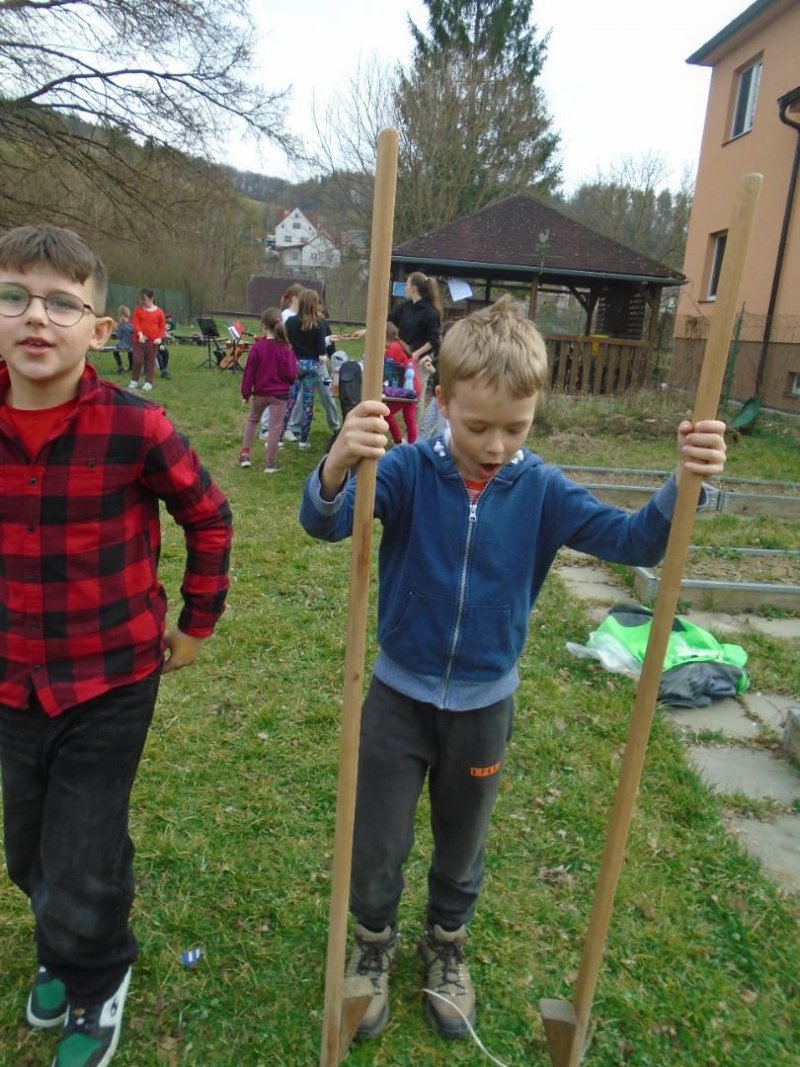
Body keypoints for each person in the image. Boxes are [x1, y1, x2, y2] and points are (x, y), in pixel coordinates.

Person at [300, 296, 727, 1044]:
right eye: (477, 427)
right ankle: (371, 942)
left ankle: (446, 944)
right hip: (397, 696)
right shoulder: (405, 471)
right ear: (441, 401)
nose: (495, 445)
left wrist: (683, 481)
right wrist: (339, 460)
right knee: (378, 836)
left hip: (484, 705)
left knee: (463, 839)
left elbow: (634, 541)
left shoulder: (544, 491)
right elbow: (328, 522)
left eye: (516, 428)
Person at [0, 224, 233, 1067]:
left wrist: (196, 622)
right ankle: (62, 938)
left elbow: (209, 515)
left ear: (102, 329)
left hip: (110, 679)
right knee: (28, 846)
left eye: (62, 304)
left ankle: (96, 975)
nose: (37, 317)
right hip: (11, 680)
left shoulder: (137, 427)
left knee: (84, 848)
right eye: (14, 297)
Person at [239, 307, 297, 473]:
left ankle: (245, 455)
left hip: (261, 393)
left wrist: (245, 394)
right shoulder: (286, 349)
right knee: (275, 428)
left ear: (264, 325)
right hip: (280, 395)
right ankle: (270, 464)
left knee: (253, 420)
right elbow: (292, 375)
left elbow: (249, 373)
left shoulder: (257, 348)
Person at [281, 288, 328, 449]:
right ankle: (303, 440)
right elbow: (322, 350)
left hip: (294, 365)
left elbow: (285, 343)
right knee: (308, 403)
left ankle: (279, 437)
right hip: (311, 366)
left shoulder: (290, 322)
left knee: (290, 401)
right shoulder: (319, 324)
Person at [383, 322, 422, 445]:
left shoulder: (393, 347)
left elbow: (388, 367)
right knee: (409, 418)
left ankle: (398, 441)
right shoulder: (400, 344)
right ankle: (412, 444)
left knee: (386, 413)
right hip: (414, 387)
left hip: (406, 388)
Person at [129, 287, 166, 391]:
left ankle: (148, 382)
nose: (142, 302)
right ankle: (134, 380)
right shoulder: (138, 310)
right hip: (139, 341)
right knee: (137, 360)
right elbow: (136, 323)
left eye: (144, 299)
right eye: (141, 299)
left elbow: (162, 327)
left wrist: (159, 338)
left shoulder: (159, 312)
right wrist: (140, 334)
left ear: (151, 298)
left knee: (150, 362)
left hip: (152, 343)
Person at [112, 304, 134, 374]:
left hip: (124, 344)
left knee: (115, 351)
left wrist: (116, 328)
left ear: (122, 315)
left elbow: (118, 336)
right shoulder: (132, 323)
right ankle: (131, 367)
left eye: (120, 315)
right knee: (131, 352)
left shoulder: (122, 324)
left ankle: (120, 367)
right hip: (132, 344)